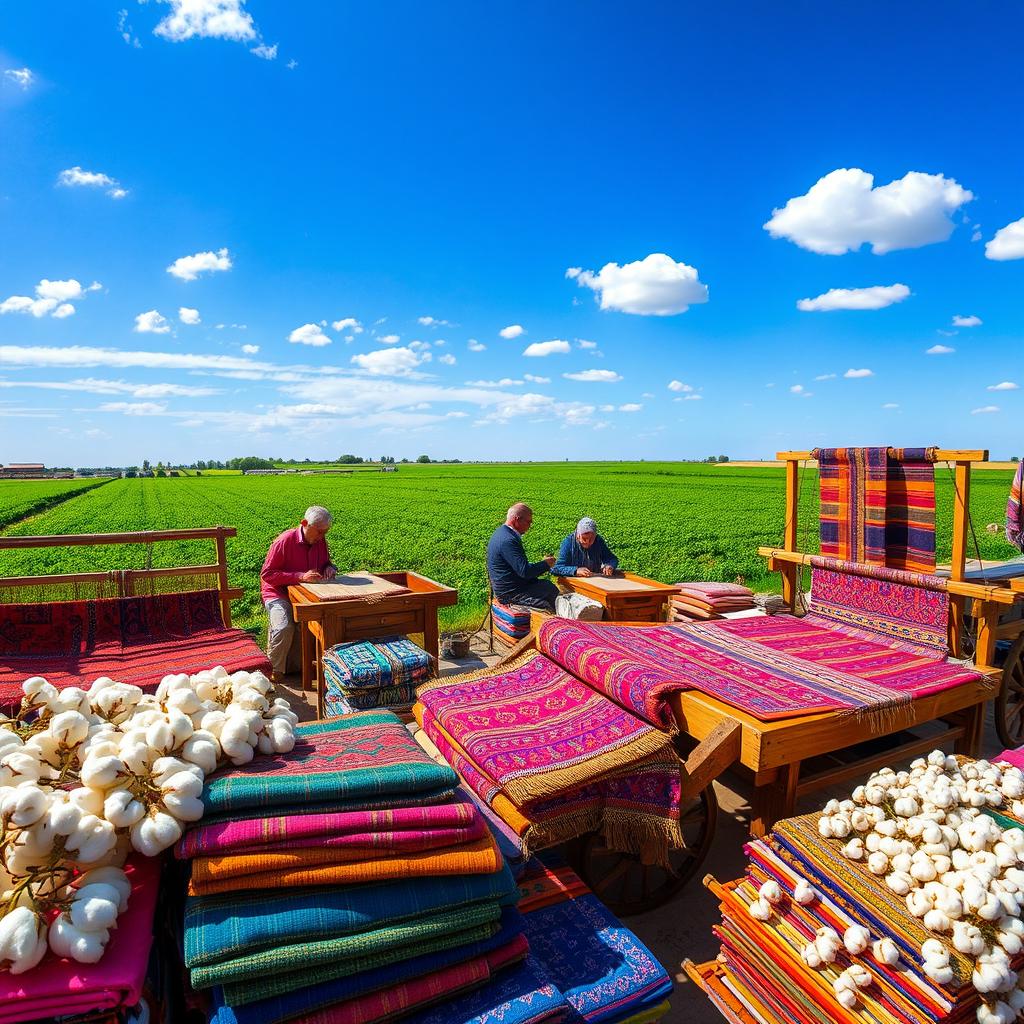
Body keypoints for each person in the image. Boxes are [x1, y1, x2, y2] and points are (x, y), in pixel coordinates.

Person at [261, 505, 338, 679]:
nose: (322, 537)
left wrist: (329, 568)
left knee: (318, 623)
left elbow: (326, 562)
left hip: (305, 592)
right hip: (277, 592)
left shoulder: (320, 541)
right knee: (284, 626)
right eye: (319, 532)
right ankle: (273, 670)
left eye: (325, 532)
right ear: (304, 523)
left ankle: (299, 668)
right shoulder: (284, 541)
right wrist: (300, 576)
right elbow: (267, 574)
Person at [486, 502, 558, 611]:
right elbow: (525, 572)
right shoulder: (508, 540)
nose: (530, 525)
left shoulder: (501, 533)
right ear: (517, 519)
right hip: (510, 593)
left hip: (511, 587)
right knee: (550, 599)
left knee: (548, 586)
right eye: (528, 522)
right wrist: (546, 564)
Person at [551, 517, 619, 578]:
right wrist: (575, 570)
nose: (587, 542)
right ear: (578, 535)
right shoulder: (568, 543)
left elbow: (612, 558)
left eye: (591, 539)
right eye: (584, 538)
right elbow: (556, 568)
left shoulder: (598, 541)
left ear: (595, 535)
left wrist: (610, 565)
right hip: (573, 582)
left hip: (594, 578)